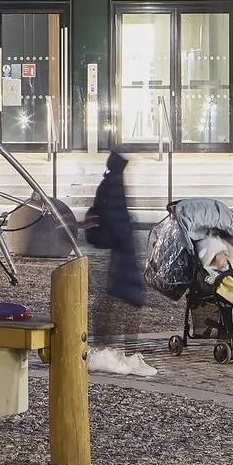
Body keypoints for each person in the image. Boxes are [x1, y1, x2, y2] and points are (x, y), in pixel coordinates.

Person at [82, 147, 146, 347]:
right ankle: (122, 344)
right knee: (127, 296)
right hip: (122, 246)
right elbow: (117, 216)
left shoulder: (109, 181)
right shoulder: (115, 183)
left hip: (119, 246)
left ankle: (107, 341)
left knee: (117, 295)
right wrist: (125, 235)